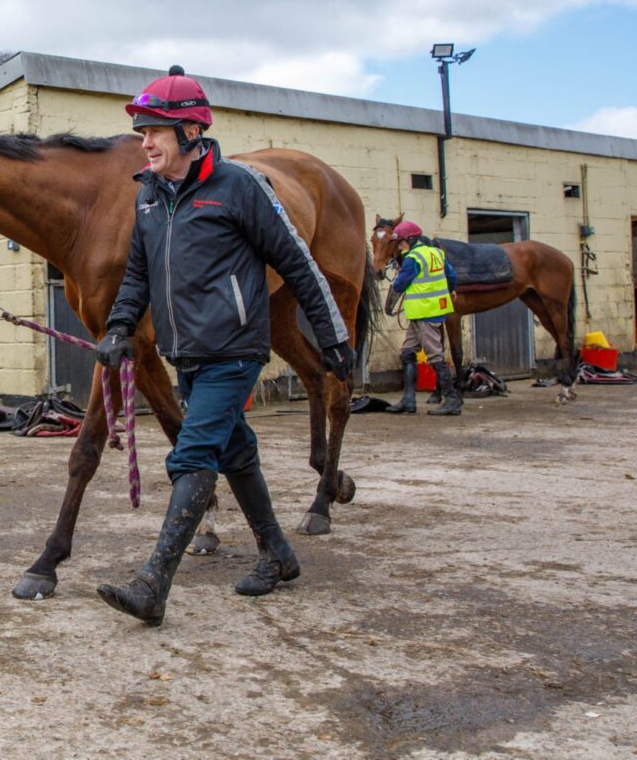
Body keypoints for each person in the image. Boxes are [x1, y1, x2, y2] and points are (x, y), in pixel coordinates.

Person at [93, 67, 356, 626]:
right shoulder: (148, 198)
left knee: (193, 456)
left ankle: (153, 584)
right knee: (235, 452)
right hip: (184, 355)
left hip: (234, 350)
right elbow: (138, 276)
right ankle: (278, 553)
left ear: (190, 132)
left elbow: (297, 263)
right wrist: (118, 328)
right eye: (143, 132)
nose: (145, 143)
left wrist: (332, 337)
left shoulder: (238, 188)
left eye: (155, 132)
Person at [384, 220, 460, 416]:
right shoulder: (436, 253)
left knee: (435, 355)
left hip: (424, 312)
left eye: (400, 242)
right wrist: (449, 291)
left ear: (409, 240)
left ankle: (451, 399)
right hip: (424, 312)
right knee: (407, 352)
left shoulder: (412, 258)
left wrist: (388, 305)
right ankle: (408, 400)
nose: (399, 246)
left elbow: (400, 285)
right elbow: (451, 277)